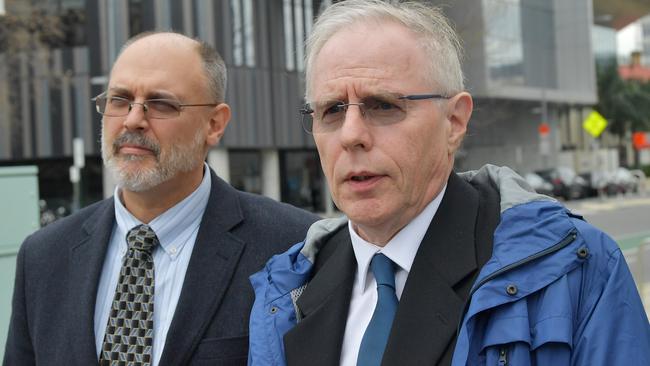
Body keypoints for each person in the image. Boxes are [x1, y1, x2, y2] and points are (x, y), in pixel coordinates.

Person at [248, 1, 650, 365]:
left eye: (384, 105)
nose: (351, 134)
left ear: (454, 122)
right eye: (332, 110)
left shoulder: (576, 268)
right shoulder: (285, 291)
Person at [3, 31, 318, 366]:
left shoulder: (294, 245)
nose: (133, 119)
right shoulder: (43, 257)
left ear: (214, 123)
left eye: (161, 104)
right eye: (119, 100)